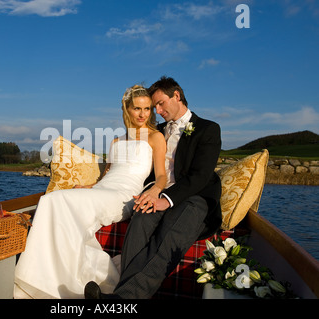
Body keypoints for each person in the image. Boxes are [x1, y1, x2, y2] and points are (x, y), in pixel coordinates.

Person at [14, 85, 167, 299]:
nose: (143, 114)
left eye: (147, 109)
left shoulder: (155, 137)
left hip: (126, 195)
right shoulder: (116, 141)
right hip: (104, 189)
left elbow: (161, 175)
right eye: (137, 108)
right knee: (50, 200)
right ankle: (41, 280)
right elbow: (107, 175)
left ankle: (65, 285)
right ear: (127, 109)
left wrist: (155, 191)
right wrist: (89, 187)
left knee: (59, 201)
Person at [85, 76, 222, 299]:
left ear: (176, 96)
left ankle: (122, 300)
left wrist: (165, 199)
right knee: (140, 219)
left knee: (170, 233)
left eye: (160, 104)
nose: (156, 111)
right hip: (157, 191)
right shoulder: (156, 131)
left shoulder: (208, 129)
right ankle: (125, 292)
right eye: (154, 106)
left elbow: (200, 176)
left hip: (195, 197)